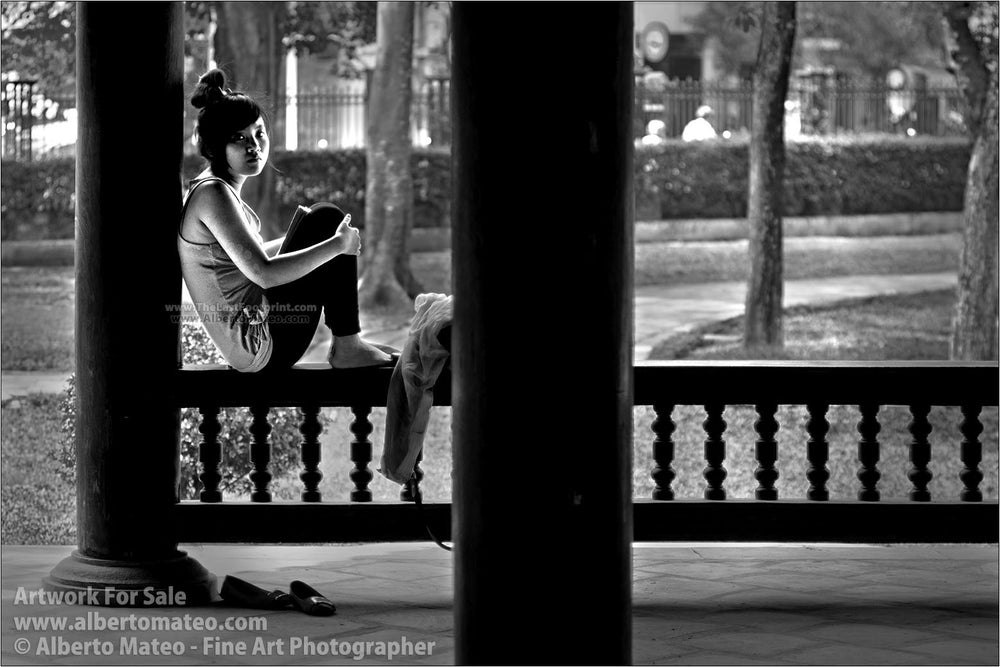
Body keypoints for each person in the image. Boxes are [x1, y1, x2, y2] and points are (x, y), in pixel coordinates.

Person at [178, 69, 393, 372]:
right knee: (327, 219)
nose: (254, 146)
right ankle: (348, 346)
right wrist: (337, 246)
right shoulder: (213, 193)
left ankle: (349, 344)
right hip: (260, 345)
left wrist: (311, 238)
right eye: (239, 138)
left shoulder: (213, 188)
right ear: (215, 146)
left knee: (322, 222)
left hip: (257, 336)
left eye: (259, 133)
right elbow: (264, 274)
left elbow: (250, 261)